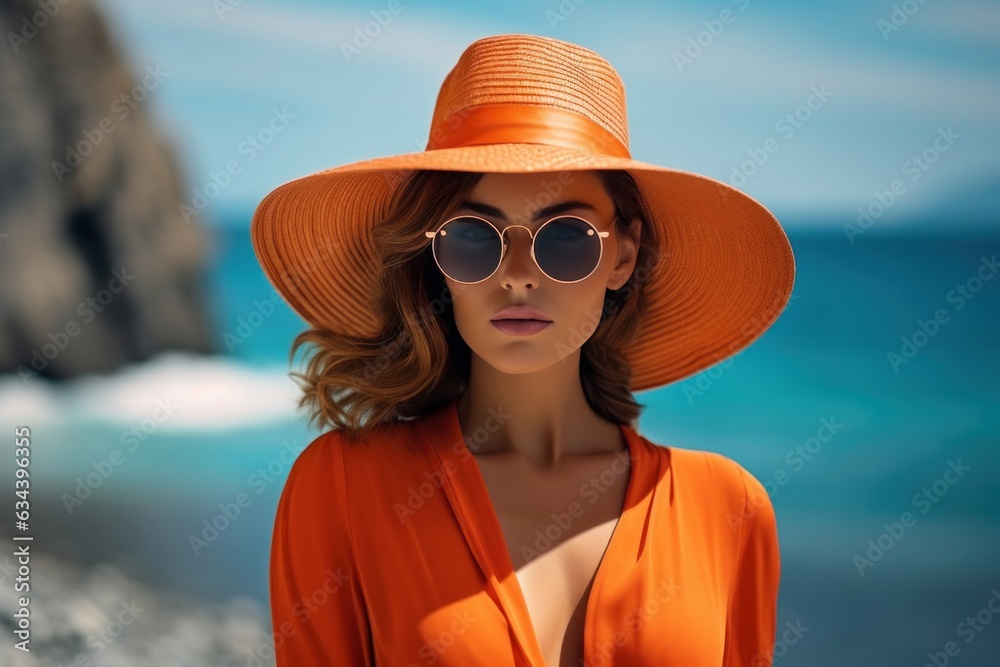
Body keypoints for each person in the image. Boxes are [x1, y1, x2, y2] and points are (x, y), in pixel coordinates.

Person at [251, 33, 795, 667]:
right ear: (436, 259)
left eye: (564, 238)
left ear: (622, 254)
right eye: (474, 240)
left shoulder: (728, 508)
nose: (516, 275)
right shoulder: (341, 486)